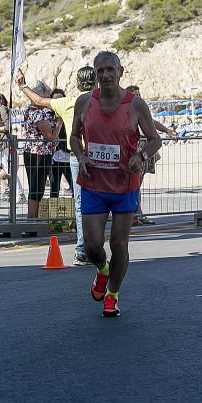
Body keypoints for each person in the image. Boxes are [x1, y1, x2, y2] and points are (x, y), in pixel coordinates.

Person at [69, 51, 161, 317]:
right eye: (100, 71)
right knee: (92, 246)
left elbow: (155, 140)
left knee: (119, 244)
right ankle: (102, 270)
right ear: (95, 74)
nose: (106, 75)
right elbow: (74, 136)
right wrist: (80, 155)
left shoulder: (135, 104)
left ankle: (113, 294)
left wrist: (141, 156)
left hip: (124, 185)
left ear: (121, 72)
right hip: (93, 183)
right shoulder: (84, 102)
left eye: (111, 70)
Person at [16, 66, 96, 265]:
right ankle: (95, 244)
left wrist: (23, 85)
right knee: (101, 202)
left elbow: (38, 101)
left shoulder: (68, 103)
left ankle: (82, 248)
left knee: (80, 204)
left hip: (76, 156)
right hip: (100, 156)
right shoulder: (104, 102)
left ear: (77, 84)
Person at [127, 85, 175, 225]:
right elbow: (140, 129)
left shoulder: (139, 108)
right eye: (134, 94)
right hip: (136, 149)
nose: (138, 96)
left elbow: (151, 122)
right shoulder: (127, 110)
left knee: (137, 184)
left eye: (139, 93)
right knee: (134, 184)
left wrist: (166, 130)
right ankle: (134, 214)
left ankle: (137, 213)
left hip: (144, 148)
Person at [20, 82, 59, 219]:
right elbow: (50, 136)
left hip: (33, 152)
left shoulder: (31, 111)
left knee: (36, 188)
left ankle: (34, 218)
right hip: (39, 153)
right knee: (37, 188)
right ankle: (31, 219)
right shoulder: (38, 114)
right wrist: (59, 124)